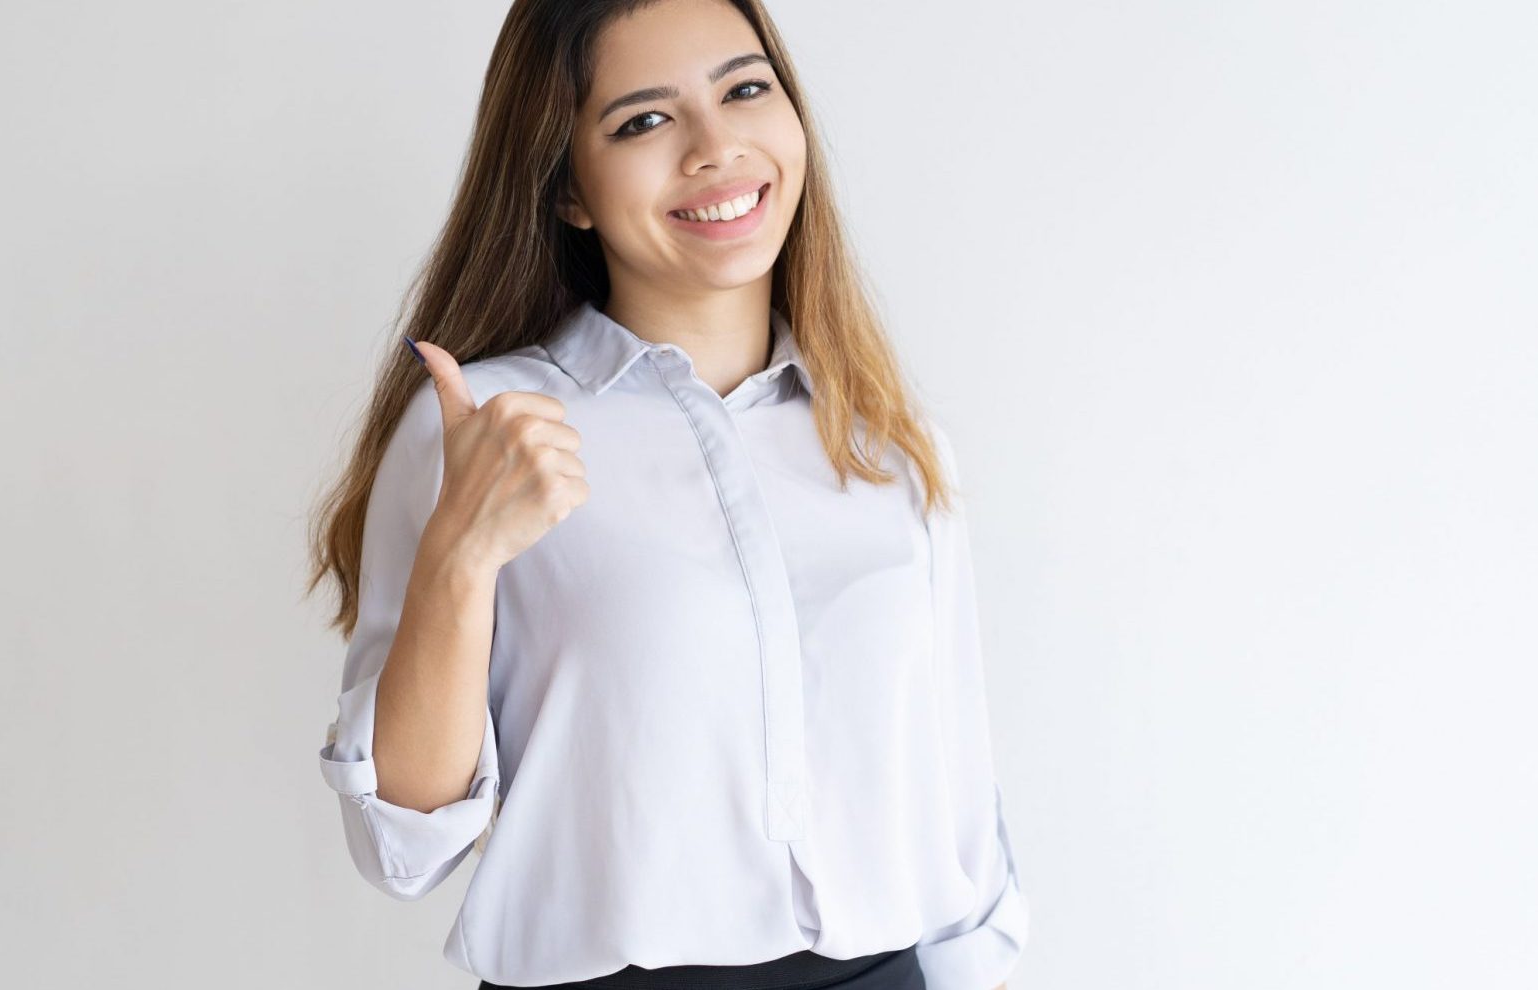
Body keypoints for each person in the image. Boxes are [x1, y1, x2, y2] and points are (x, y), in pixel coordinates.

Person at [308, 1, 1028, 987]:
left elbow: (960, 814)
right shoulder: (485, 428)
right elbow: (402, 847)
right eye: (644, 120)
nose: (715, 147)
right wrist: (460, 556)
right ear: (568, 189)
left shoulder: (885, 443)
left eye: (745, 89)